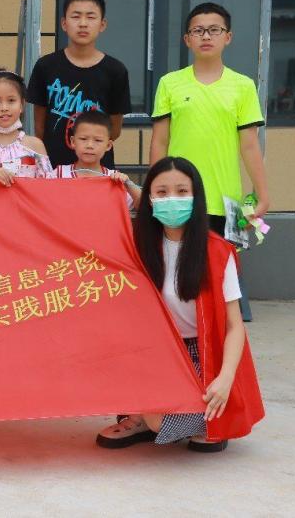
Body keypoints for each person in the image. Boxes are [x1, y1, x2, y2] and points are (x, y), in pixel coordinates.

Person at [95, 157, 264, 452]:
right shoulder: (135, 247)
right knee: (113, 385)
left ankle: (204, 422)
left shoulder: (217, 251)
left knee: (159, 420)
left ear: (196, 197)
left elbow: (234, 326)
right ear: (149, 199)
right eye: (161, 192)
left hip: (199, 353)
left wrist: (225, 379)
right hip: (153, 350)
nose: (171, 199)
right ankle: (141, 415)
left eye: (182, 191)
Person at [150, 2, 269, 321]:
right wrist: (154, 190)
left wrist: (262, 194)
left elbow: (249, 146)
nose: (206, 36)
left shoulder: (243, 86)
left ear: (228, 37)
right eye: (198, 30)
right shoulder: (170, 83)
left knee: (222, 278)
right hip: (179, 198)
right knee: (176, 273)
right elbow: (159, 141)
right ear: (186, 39)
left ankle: (221, 334)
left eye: (214, 30)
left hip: (224, 198)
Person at [27, 0, 131, 169]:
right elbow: (40, 128)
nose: (83, 24)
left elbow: (114, 130)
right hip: (54, 168)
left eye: (91, 17)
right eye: (76, 17)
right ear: (64, 23)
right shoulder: (46, 66)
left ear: (102, 24)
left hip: (97, 169)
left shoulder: (116, 71)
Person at [48, 110, 142, 209]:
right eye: (83, 139)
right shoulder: (58, 174)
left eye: (98, 140)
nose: (90, 145)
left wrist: (128, 184)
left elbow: (143, 206)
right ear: (73, 141)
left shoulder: (115, 179)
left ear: (108, 145)